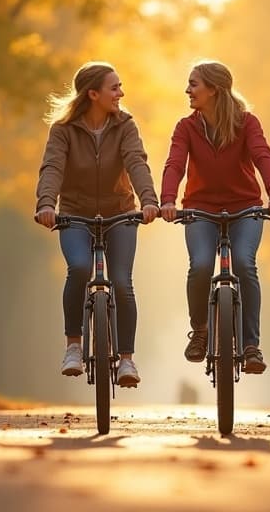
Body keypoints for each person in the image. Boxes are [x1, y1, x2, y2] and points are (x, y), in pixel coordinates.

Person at [34, 61, 160, 388]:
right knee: (78, 267)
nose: (121, 93)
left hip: (119, 211)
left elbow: (136, 162)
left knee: (121, 281)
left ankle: (127, 360)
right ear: (93, 94)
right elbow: (52, 168)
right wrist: (46, 204)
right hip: (75, 213)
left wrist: (148, 200)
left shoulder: (125, 126)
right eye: (114, 87)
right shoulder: (63, 130)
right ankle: (73, 346)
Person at [160, 60, 270, 373]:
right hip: (200, 209)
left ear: (214, 90)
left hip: (245, 208)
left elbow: (262, 156)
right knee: (201, 265)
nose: (188, 90)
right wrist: (167, 200)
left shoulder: (247, 123)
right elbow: (175, 164)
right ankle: (201, 331)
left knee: (245, 264)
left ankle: (251, 346)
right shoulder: (186, 127)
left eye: (194, 84)